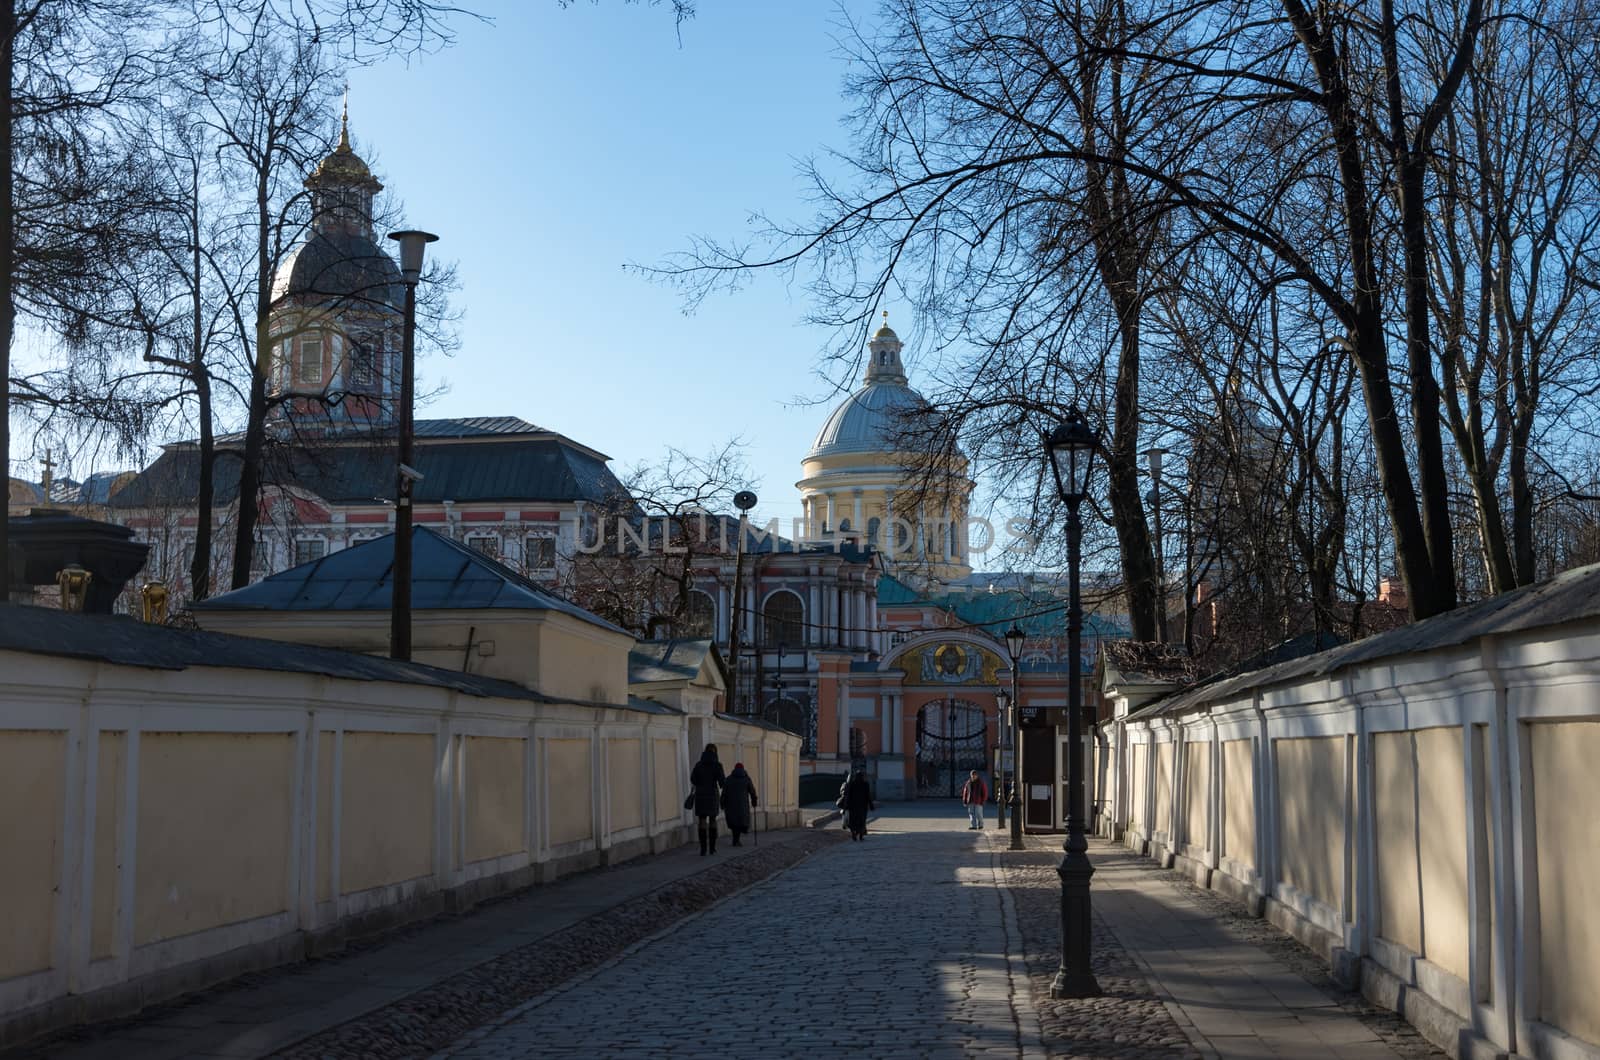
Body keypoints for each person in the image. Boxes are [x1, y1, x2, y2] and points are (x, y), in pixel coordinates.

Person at [689, 743, 726, 855]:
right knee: (713, 820)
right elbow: (722, 782)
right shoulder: (717, 765)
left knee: (702, 820)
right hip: (712, 795)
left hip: (701, 795)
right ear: (715, 752)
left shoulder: (699, 765)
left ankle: (703, 848)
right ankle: (712, 847)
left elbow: (693, 779)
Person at [721, 761, 759, 846]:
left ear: (734, 769)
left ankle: (735, 840)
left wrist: (722, 802)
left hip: (731, 805)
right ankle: (736, 840)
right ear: (743, 769)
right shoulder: (746, 778)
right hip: (743, 805)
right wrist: (754, 801)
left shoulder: (729, 779)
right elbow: (752, 791)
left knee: (734, 822)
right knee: (740, 821)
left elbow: (724, 792)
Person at [840, 769, 875, 840]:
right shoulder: (865, 784)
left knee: (853, 820)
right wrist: (871, 805)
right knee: (862, 820)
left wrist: (845, 806)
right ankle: (860, 834)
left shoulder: (852, 784)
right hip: (863, 806)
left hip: (853, 806)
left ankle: (854, 833)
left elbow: (848, 796)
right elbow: (868, 796)